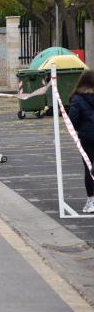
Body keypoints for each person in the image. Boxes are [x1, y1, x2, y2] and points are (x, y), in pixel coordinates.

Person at [68, 70, 94, 213]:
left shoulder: (77, 98)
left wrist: (80, 130)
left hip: (87, 138)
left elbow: (73, 120)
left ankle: (91, 201)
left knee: (89, 169)